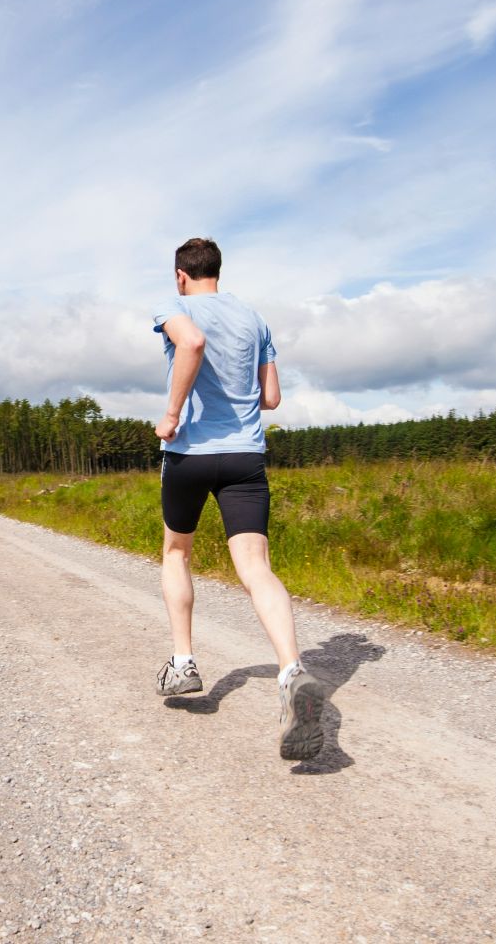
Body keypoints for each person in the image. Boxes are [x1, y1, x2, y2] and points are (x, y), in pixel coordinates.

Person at [150, 237, 327, 761]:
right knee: (256, 567)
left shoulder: (174, 307)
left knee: (177, 552)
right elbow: (270, 397)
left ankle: (183, 664)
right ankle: (292, 670)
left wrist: (172, 413)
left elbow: (192, 343)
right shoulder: (254, 318)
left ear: (181, 275)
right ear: (217, 272)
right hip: (246, 456)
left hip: (189, 455)